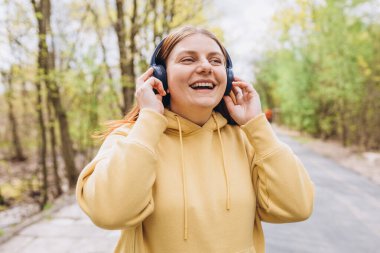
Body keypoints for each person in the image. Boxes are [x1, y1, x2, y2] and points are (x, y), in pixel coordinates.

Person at [76, 25, 314, 253]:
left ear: (228, 77)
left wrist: (257, 125)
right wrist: (149, 120)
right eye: (188, 59)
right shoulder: (133, 139)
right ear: (160, 75)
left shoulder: (247, 140)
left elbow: (297, 206)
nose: (205, 67)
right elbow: (109, 213)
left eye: (215, 61)